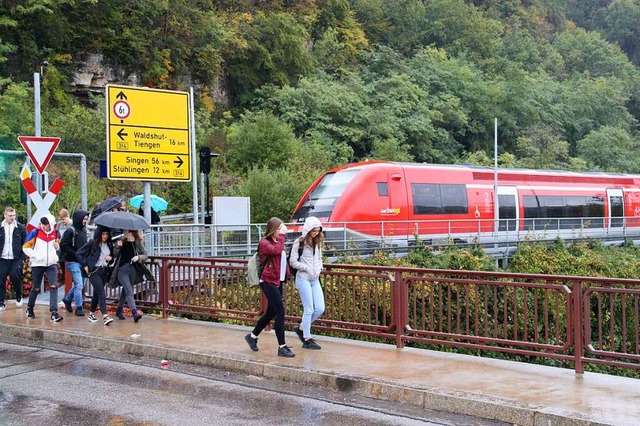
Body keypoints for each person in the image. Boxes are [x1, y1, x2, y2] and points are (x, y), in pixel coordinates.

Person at [244, 217, 294, 358]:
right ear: (272, 229)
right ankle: (282, 347)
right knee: (280, 312)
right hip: (267, 281)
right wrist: (283, 236)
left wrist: (287, 274)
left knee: (271, 312)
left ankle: (252, 336)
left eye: (281, 229)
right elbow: (277, 251)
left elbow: (282, 258)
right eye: (278, 229)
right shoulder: (264, 243)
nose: (280, 232)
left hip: (277, 281)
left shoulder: (277, 242)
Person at [289, 216, 325, 350]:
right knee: (309, 309)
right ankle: (307, 338)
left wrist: (320, 266)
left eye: (318, 230)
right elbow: (292, 261)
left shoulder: (318, 241)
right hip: (303, 278)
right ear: (308, 230)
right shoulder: (299, 242)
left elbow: (319, 257)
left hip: (315, 279)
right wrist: (307, 268)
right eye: (314, 230)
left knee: (320, 308)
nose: (316, 233)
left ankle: (302, 328)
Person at [23, 214, 63, 321]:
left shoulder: (56, 233)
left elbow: (58, 244)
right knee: (36, 288)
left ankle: (54, 312)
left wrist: (57, 246)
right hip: (37, 264)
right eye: (43, 224)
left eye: (47, 224)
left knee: (53, 286)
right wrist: (35, 255)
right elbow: (25, 247)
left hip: (51, 263)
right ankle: (30, 308)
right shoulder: (35, 232)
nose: (45, 226)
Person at [109, 229, 152, 323]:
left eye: (125, 230)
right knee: (129, 290)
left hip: (132, 269)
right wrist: (117, 246)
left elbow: (145, 255)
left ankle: (119, 310)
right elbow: (114, 254)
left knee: (126, 290)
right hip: (121, 270)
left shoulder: (137, 242)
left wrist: (138, 257)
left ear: (130, 231)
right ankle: (135, 312)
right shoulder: (121, 240)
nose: (124, 232)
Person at [76, 227, 114, 326]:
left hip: (104, 271)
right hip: (94, 271)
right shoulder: (92, 243)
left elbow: (112, 258)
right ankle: (105, 316)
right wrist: (85, 265)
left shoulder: (109, 244)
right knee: (101, 292)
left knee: (97, 293)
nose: (105, 236)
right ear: (99, 234)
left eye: (106, 234)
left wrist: (110, 258)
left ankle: (91, 314)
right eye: (103, 234)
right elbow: (79, 253)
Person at [60, 209, 89, 316]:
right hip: (72, 261)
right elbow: (63, 245)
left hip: (82, 261)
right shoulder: (70, 231)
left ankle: (67, 299)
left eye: (86, 219)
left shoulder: (84, 231)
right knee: (79, 284)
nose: (85, 221)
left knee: (80, 284)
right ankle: (79, 307)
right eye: (84, 219)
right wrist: (75, 253)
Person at [0, 207, 27, 310]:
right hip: (2, 258)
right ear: (5, 216)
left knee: (15, 278)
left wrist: (22, 258)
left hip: (15, 258)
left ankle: (18, 295)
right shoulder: (1, 227)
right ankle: (1, 302)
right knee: (1, 280)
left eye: (14, 215)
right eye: (10, 215)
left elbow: (26, 243)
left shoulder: (20, 228)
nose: (12, 217)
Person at [56, 208, 73, 283]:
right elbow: (57, 235)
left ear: (68, 216)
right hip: (61, 249)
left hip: (70, 248)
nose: (63, 221)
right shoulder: (59, 225)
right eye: (61, 219)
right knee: (62, 263)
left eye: (64, 219)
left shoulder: (72, 224)